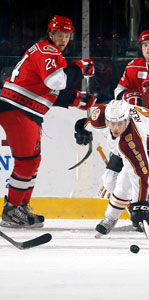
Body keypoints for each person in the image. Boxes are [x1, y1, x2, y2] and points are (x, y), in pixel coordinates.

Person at [0, 15, 95, 228]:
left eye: (67, 35)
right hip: (17, 109)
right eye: (59, 34)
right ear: (50, 34)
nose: (63, 39)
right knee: (27, 161)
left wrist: (75, 99)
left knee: (32, 161)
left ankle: (20, 206)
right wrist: (79, 68)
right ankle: (12, 209)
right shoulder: (48, 51)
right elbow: (56, 81)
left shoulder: (46, 52)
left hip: (21, 108)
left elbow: (47, 90)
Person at [74, 100, 149, 236]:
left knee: (124, 182)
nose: (115, 128)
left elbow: (140, 173)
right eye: (112, 123)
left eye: (120, 123)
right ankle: (140, 196)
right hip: (126, 142)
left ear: (127, 120)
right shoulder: (100, 117)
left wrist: (140, 204)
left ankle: (109, 219)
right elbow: (88, 124)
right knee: (109, 181)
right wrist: (83, 130)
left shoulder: (132, 139)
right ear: (106, 120)